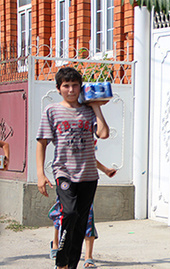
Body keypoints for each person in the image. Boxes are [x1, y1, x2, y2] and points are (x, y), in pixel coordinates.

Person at [36, 67, 110, 269]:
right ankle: (61, 262)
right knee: (69, 214)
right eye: (66, 86)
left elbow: (103, 134)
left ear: (81, 87)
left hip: (88, 175)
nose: (71, 90)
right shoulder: (51, 111)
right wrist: (40, 174)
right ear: (59, 89)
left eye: (75, 85)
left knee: (80, 223)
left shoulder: (88, 111)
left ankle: (71, 265)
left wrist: (95, 106)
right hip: (64, 173)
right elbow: (41, 143)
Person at [49, 160, 117, 268]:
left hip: (85, 180)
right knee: (65, 214)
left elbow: (88, 157)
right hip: (66, 178)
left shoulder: (89, 144)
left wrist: (105, 169)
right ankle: (56, 245)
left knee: (87, 217)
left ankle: (88, 256)